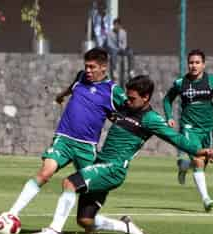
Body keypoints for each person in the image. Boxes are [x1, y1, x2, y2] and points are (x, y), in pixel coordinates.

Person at [31, 75, 213, 234]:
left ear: (146, 98)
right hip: (101, 165)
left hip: (113, 169)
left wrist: (198, 150)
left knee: (69, 183)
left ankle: (54, 230)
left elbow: (175, 137)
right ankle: (126, 226)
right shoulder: (126, 107)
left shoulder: (151, 119)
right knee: (85, 220)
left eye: (133, 98)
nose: (128, 100)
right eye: (127, 96)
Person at [7, 47, 127, 218]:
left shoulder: (112, 90)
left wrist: (118, 118)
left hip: (86, 147)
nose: (88, 70)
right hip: (63, 139)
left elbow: (129, 111)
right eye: (86, 66)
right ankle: (12, 213)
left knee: (89, 189)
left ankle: (98, 220)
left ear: (103, 68)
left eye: (92, 67)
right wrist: (60, 96)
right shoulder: (81, 77)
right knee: (45, 172)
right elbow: (72, 87)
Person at [163, 49, 213, 212]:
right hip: (189, 128)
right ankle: (206, 199)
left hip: (207, 128)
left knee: (201, 163)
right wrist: (169, 116)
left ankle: (183, 165)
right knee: (199, 158)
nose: (193, 65)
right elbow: (167, 99)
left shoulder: (212, 81)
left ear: (203, 64)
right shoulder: (180, 83)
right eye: (191, 62)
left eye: (197, 62)